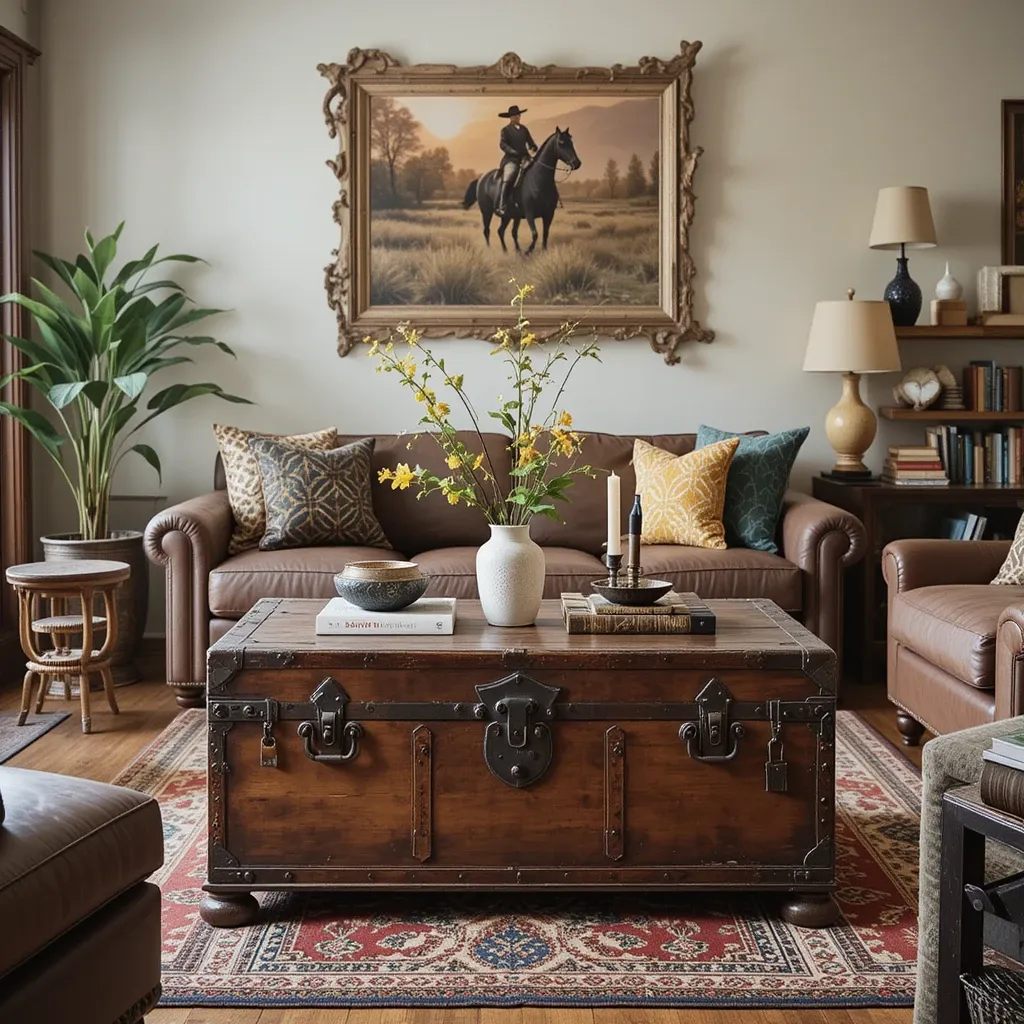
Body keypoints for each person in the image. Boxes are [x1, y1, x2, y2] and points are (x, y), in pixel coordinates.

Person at [496, 104, 538, 216]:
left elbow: (530, 142)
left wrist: (533, 147)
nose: (517, 118)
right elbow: (502, 144)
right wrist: (512, 151)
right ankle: (502, 206)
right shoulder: (505, 130)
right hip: (511, 159)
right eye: (514, 116)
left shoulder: (524, 129)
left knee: (539, 171)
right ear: (510, 117)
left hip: (525, 157)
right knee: (509, 176)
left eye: (518, 115)